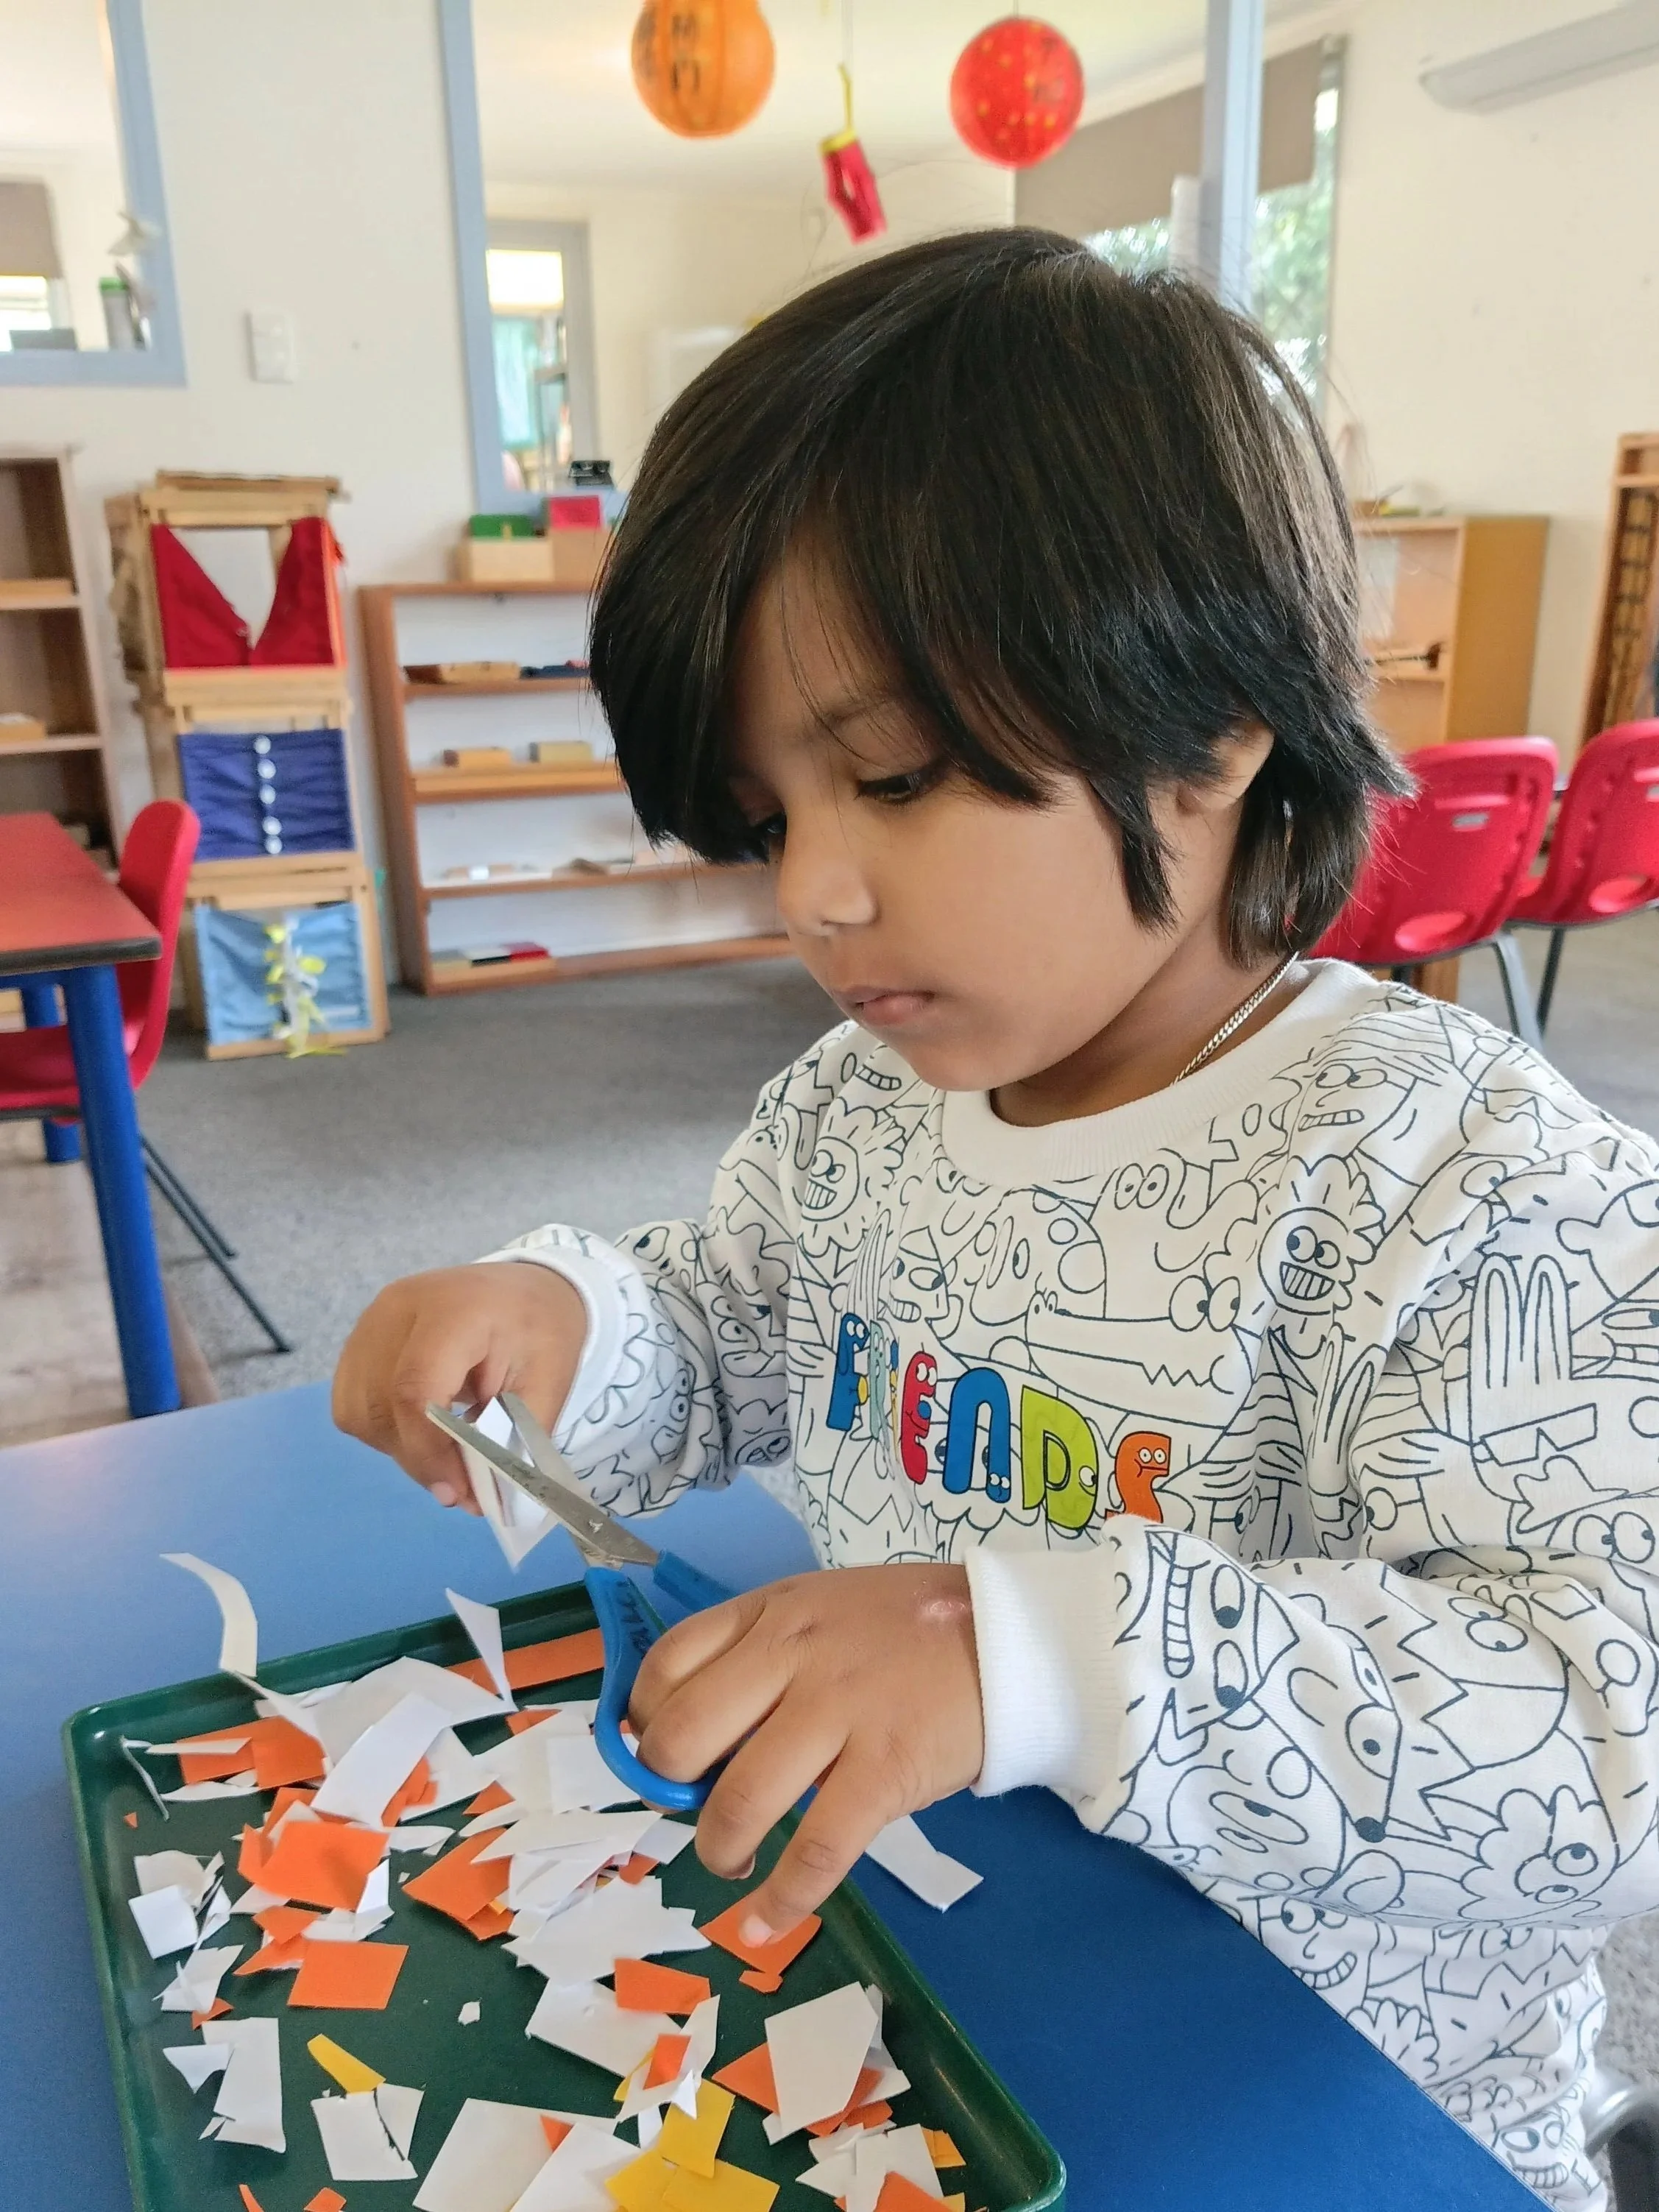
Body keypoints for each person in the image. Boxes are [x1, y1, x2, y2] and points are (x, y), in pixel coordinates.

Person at [335, 230, 1659, 2210]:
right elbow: (731, 1334)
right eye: (771, 812)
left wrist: (1034, 1652)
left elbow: (1599, 1730)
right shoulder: (860, 1111)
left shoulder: (1468, 1185)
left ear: (1212, 727)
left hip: (1343, 2105)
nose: (818, 895)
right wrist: (559, 1331)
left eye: (891, 774)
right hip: (944, 2007)